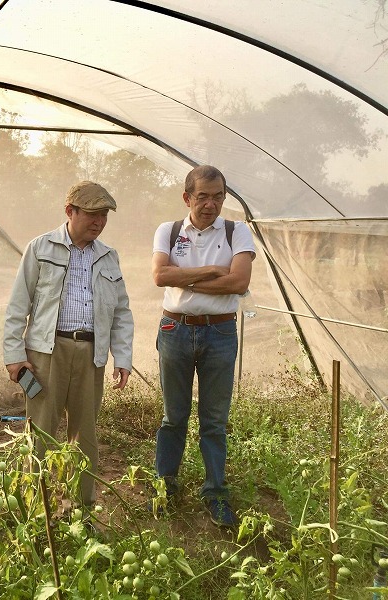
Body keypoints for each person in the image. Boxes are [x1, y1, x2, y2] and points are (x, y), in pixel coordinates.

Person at [3, 181, 134, 510]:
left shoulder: (108, 256)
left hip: (91, 355)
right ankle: (36, 508)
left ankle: (82, 508)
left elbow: (121, 313)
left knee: (84, 436)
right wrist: (15, 356)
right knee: (42, 432)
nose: (99, 222)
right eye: (91, 214)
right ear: (69, 212)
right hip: (47, 353)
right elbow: (18, 306)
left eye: (103, 215)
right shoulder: (40, 248)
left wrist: (123, 357)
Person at [151, 164, 256, 529]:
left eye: (217, 197)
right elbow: (159, 276)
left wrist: (188, 282)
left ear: (224, 198)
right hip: (175, 329)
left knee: (214, 421)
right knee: (173, 416)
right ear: (187, 198)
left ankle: (215, 493)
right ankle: (165, 486)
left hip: (220, 333)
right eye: (202, 196)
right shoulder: (169, 231)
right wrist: (212, 272)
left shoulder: (236, 231)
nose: (210, 204)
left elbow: (239, 282)